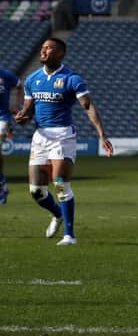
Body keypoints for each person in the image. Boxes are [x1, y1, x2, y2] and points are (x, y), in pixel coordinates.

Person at [14, 38, 113, 246]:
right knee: (36, 191)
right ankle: (58, 214)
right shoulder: (32, 79)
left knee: (60, 183)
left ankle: (70, 235)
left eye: (48, 48)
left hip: (62, 135)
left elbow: (88, 107)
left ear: (60, 53)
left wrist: (102, 134)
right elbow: (28, 110)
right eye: (42, 48)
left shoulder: (71, 79)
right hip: (40, 136)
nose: (43, 51)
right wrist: (23, 116)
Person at [0, 67, 23, 204]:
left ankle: (1, 184)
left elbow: (20, 87)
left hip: (2, 118)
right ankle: (2, 182)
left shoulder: (6, 75)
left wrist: (16, 106)